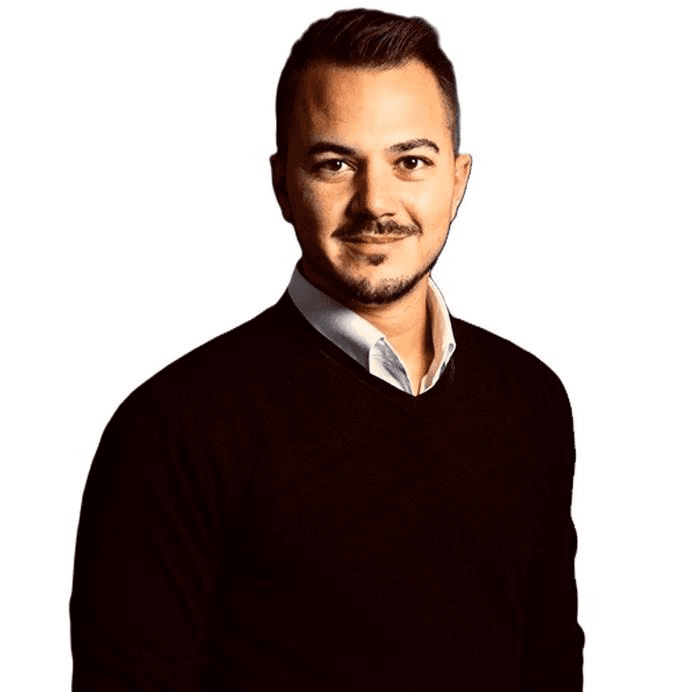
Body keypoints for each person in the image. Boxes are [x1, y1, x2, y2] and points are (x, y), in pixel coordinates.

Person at [70, 8, 584, 690]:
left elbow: (549, 664)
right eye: (335, 164)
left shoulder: (531, 397)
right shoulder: (172, 429)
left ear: (457, 180)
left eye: (410, 162)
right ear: (283, 183)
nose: (376, 203)